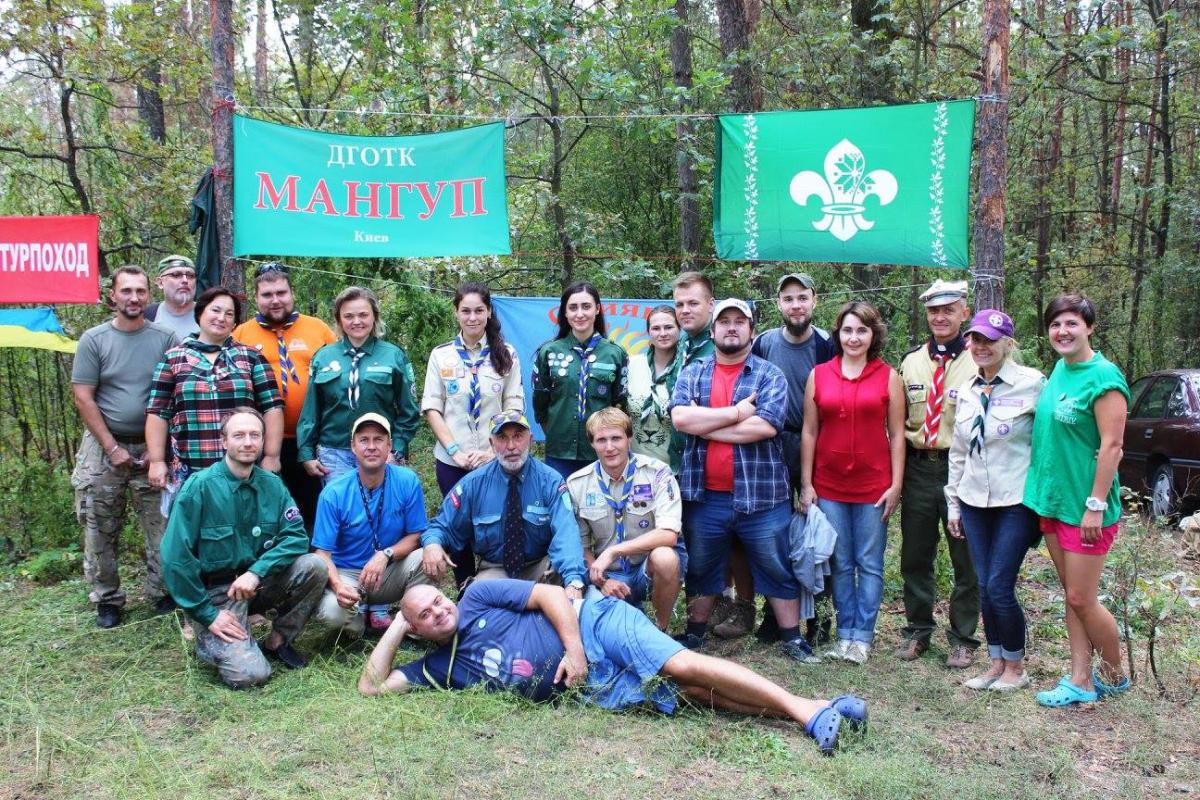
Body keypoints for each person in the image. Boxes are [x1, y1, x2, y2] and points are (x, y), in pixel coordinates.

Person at [359, 581, 869, 755]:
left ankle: (804, 710)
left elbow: (552, 595)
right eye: (424, 614)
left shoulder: (480, 596)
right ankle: (820, 709)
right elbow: (371, 688)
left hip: (595, 624)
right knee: (691, 694)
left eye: (438, 601)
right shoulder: (437, 667)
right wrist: (397, 627)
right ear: (417, 630)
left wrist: (575, 650)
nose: (439, 611)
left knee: (681, 664)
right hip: (592, 688)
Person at [670, 298, 816, 663]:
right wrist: (736, 414)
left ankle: (792, 639)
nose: (731, 327)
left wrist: (707, 425)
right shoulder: (693, 373)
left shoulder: (769, 375)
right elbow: (681, 420)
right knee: (702, 566)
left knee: (776, 564)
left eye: (740, 321)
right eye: (724, 322)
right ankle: (695, 633)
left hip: (763, 496)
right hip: (704, 496)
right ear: (714, 329)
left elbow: (765, 426)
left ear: (752, 330)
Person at [159, 408, 326, 689]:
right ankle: (209, 637)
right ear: (224, 441)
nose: (248, 442)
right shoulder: (198, 488)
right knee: (251, 675)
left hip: (257, 583)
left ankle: (279, 640)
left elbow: (296, 537)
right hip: (216, 595)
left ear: (262, 441)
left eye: (254, 435)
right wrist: (207, 615)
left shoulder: (273, 486)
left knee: (315, 566)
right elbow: (175, 559)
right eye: (239, 435)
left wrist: (257, 572)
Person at [1024, 294, 1131, 707]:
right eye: (1055, 325)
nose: (1062, 332)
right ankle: (1080, 678)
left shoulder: (1104, 378)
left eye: (1071, 324)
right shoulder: (1060, 369)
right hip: (1054, 501)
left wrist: (1096, 504)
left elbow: (1113, 447)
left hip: (1087, 509)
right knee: (1072, 592)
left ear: (1089, 327)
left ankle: (1114, 674)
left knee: (1081, 598)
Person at [70, 266, 180, 628]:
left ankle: (162, 592)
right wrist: (111, 446)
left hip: (154, 449)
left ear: (149, 295)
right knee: (99, 523)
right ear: (113, 295)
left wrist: (158, 449)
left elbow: (174, 393)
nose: (134, 298)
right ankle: (107, 598)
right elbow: (83, 397)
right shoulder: (94, 339)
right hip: (104, 449)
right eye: (126, 291)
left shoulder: (165, 338)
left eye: (140, 291)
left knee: (162, 524)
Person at [800, 301, 905, 664]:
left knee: (869, 562)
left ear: (873, 334)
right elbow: (810, 431)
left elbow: (897, 434)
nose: (854, 337)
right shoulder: (820, 374)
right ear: (838, 333)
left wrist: (896, 485)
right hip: (828, 485)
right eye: (847, 330)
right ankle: (844, 634)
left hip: (874, 486)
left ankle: (863, 636)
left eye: (861, 330)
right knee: (841, 562)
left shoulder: (888, 376)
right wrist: (806, 483)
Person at [945, 310, 1045, 692]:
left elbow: (1047, 445)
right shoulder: (967, 388)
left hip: (1015, 501)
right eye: (975, 339)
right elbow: (958, 452)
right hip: (973, 500)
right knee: (985, 585)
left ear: (1008, 343)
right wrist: (953, 503)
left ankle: (1016, 668)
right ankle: (995, 662)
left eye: (990, 339)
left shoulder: (1032, 384)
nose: (981, 346)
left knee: (1001, 584)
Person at [895, 279, 981, 669]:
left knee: (967, 556)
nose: (941, 317)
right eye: (934, 310)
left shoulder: (979, 357)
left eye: (949, 309)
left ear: (964, 312)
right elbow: (898, 422)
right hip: (918, 467)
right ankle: (917, 630)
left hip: (962, 468)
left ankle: (963, 637)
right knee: (915, 553)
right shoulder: (911, 361)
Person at [420, 410, 588, 600]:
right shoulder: (473, 484)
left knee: (575, 593)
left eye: (518, 436)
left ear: (530, 439)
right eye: (502, 437)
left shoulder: (551, 482)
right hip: (496, 571)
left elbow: (566, 534)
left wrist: (574, 581)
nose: (511, 446)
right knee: (473, 600)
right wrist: (432, 544)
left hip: (541, 568)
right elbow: (442, 526)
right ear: (491, 443)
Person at [751, 272, 835, 645]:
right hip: (770, 444)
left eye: (802, 297)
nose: (796, 305)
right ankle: (775, 617)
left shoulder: (827, 345)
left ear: (814, 301)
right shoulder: (764, 343)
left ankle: (820, 618)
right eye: (788, 299)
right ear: (778, 304)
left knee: (816, 533)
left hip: (815, 443)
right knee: (775, 535)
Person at [422, 282, 524, 587]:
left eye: (479, 310)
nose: (472, 317)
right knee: (459, 527)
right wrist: (455, 451)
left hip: (496, 458)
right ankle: (466, 589)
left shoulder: (506, 354)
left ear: (489, 311)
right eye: (465, 310)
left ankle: (502, 586)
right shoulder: (441, 356)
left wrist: (494, 451)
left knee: (502, 522)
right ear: (456, 313)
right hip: (453, 460)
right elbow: (432, 409)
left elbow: (514, 406)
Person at [145, 286, 284, 496]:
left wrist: (271, 456)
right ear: (200, 313)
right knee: (193, 526)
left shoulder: (251, 357)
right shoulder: (173, 359)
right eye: (216, 310)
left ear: (235, 322)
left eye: (229, 314)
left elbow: (272, 408)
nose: (222, 318)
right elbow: (158, 412)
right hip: (191, 469)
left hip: (245, 468)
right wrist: (156, 461)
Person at [232, 262, 337, 529]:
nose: (275, 300)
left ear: (292, 294)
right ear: (256, 298)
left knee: (314, 510)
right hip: (261, 445)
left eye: (281, 293)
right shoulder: (241, 334)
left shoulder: (318, 329)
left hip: (312, 442)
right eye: (267, 295)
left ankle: (316, 565)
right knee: (267, 513)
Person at [311, 413, 431, 637]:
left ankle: (414, 625)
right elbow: (322, 554)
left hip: (389, 570)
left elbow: (416, 535)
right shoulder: (333, 493)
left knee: (428, 556)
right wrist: (338, 586)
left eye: (378, 439)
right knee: (333, 614)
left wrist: (385, 555)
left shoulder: (407, 481)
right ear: (353, 447)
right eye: (364, 440)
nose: (371, 446)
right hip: (348, 574)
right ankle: (356, 620)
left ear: (389, 446)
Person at [566, 407, 683, 630]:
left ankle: (661, 630)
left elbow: (669, 534)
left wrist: (614, 551)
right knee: (599, 624)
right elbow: (580, 547)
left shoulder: (657, 473)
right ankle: (627, 611)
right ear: (592, 443)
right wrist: (602, 581)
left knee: (666, 557)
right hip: (608, 574)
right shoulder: (578, 484)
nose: (609, 447)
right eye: (601, 440)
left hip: (645, 569)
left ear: (629, 439)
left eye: (616, 438)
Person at [297, 286, 420, 484]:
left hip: (379, 451)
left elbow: (409, 410)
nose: (356, 322)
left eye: (363, 315)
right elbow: (311, 411)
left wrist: (396, 448)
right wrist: (306, 452)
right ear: (339, 319)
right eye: (348, 316)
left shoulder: (394, 356)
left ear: (374, 317)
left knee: (381, 510)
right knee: (343, 511)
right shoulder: (323, 357)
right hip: (334, 453)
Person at [532, 281, 629, 479]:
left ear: (597, 309)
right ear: (565, 313)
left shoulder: (615, 354)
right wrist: (556, 433)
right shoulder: (549, 352)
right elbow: (540, 404)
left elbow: (620, 405)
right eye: (573, 307)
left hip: (602, 453)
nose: (580, 313)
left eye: (586, 306)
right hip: (559, 452)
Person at [627, 305, 680, 464]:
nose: (662, 333)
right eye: (656, 328)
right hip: (637, 466)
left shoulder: (688, 368)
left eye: (669, 327)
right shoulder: (631, 365)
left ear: (680, 329)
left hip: (676, 468)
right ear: (648, 332)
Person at [145, 254, 199, 340]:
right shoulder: (147, 316)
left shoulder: (210, 315)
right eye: (176, 275)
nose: (185, 280)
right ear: (160, 283)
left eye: (190, 276)